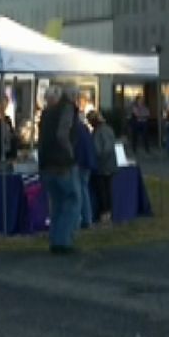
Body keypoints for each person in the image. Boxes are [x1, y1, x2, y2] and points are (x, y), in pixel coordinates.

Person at [38, 86, 80, 254]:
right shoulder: (66, 108)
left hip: (46, 164)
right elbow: (63, 134)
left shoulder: (46, 113)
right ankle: (63, 242)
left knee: (56, 204)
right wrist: (69, 154)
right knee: (71, 201)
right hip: (62, 164)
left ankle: (55, 241)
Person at [88, 111, 116, 225]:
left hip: (102, 165)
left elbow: (105, 148)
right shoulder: (106, 129)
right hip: (106, 164)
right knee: (106, 190)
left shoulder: (100, 131)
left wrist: (98, 157)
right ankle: (107, 212)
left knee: (103, 191)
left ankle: (105, 213)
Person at [73, 97, 98, 229]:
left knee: (78, 191)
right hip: (87, 163)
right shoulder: (83, 128)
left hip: (79, 163)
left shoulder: (74, 129)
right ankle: (87, 219)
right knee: (84, 190)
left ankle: (78, 219)